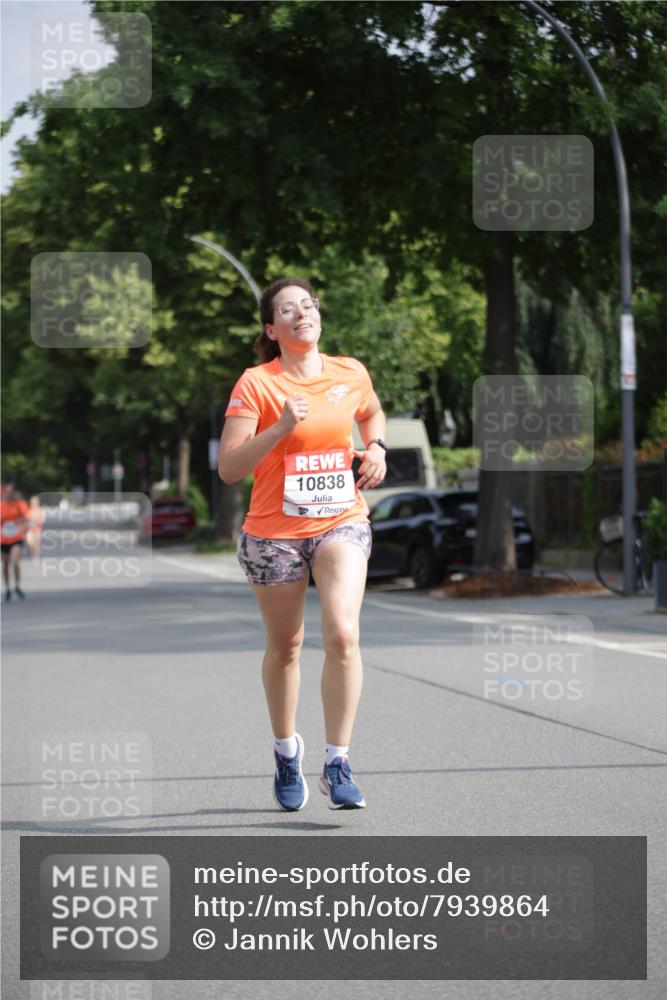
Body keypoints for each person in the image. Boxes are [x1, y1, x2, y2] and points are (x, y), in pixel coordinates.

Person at [219, 278, 387, 811]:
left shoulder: (350, 372)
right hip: (273, 533)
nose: (300, 314)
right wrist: (281, 427)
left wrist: (376, 446)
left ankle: (337, 761)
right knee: (286, 647)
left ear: (318, 315)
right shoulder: (256, 384)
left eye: (307, 305)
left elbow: (371, 413)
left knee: (341, 632)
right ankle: (286, 750)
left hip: (340, 518)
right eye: (286, 310)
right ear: (271, 328)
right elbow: (229, 468)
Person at [1, 483, 29, 601]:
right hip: (3, 539)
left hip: (16, 538)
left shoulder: (17, 505)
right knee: (6, 564)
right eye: (6, 491)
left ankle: (17, 585)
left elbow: (24, 518)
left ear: (13, 493)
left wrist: (21, 524)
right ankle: (7, 588)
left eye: (10, 491)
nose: (8, 494)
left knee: (15, 561)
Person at [25, 495, 46, 564]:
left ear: (38, 502)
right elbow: (25, 520)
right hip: (29, 530)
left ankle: (36, 557)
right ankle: (31, 553)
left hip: (37, 529)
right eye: (32, 502)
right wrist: (28, 523)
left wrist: (36, 521)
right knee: (30, 543)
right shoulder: (28, 510)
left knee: (37, 544)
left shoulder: (41, 510)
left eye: (35, 502)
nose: (34, 503)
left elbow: (43, 520)